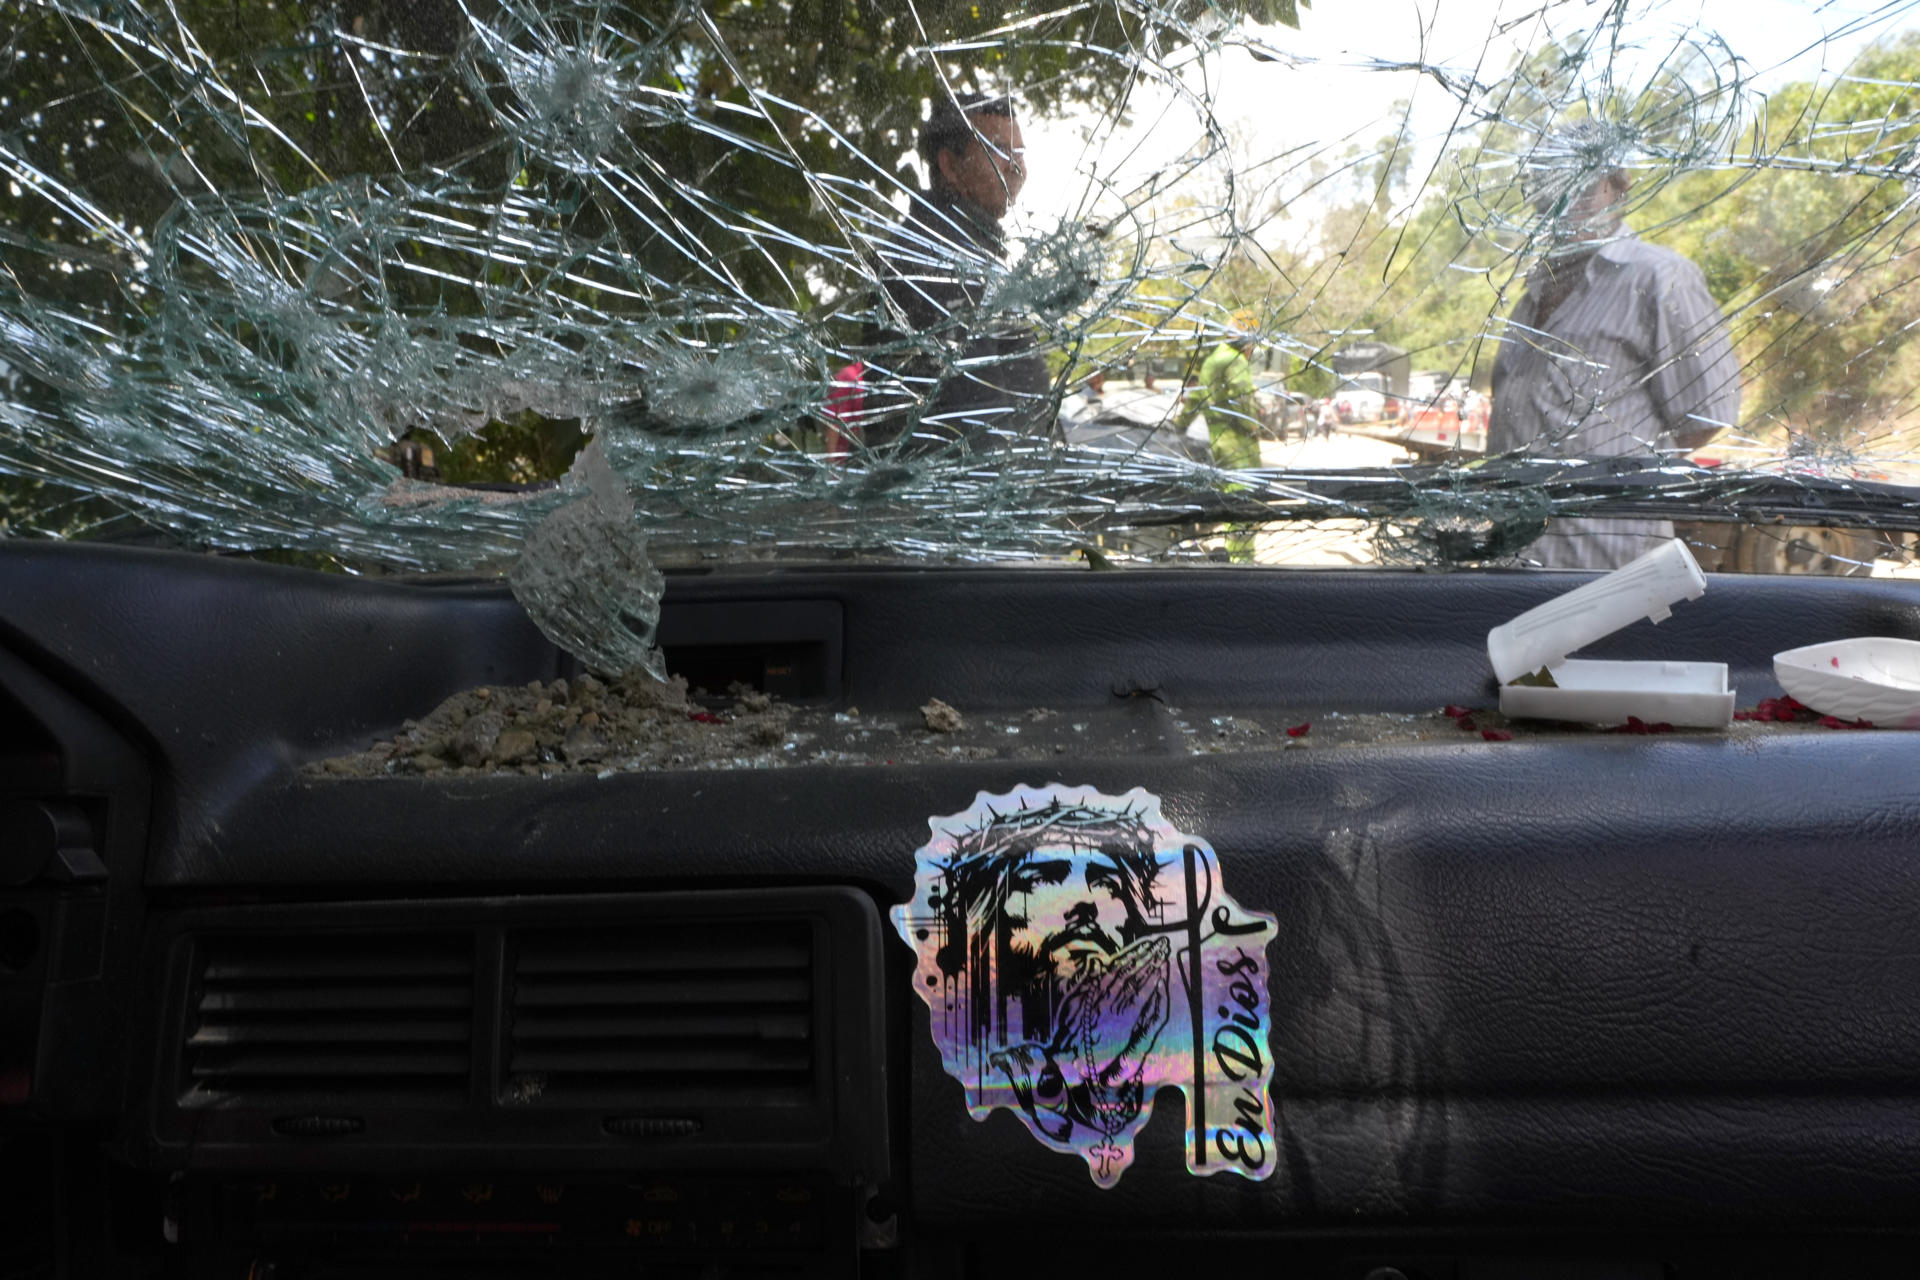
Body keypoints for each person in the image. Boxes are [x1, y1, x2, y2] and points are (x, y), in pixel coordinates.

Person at [1490, 123, 1741, 569]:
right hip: (1512, 564)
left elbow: (1705, 414)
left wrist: (1611, 482)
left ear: (1617, 188)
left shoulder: (1658, 278)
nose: (1565, 200)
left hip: (1608, 573)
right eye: (1551, 184)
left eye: (1583, 183)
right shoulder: (1530, 294)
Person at [861, 92, 1050, 453]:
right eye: (998, 149)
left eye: (1020, 153)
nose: (1016, 166)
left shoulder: (968, 252)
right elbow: (973, 423)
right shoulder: (933, 260)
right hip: (967, 499)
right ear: (950, 165)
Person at [1180, 310, 1264, 561]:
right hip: (1238, 444)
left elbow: (1195, 398)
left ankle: (1237, 555)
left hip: (1216, 442)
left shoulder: (1212, 360)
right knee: (1244, 503)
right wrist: (1254, 428)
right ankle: (1242, 560)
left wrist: (1178, 424)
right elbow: (1241, 401)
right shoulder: (1235, 361)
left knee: (1231, 498)